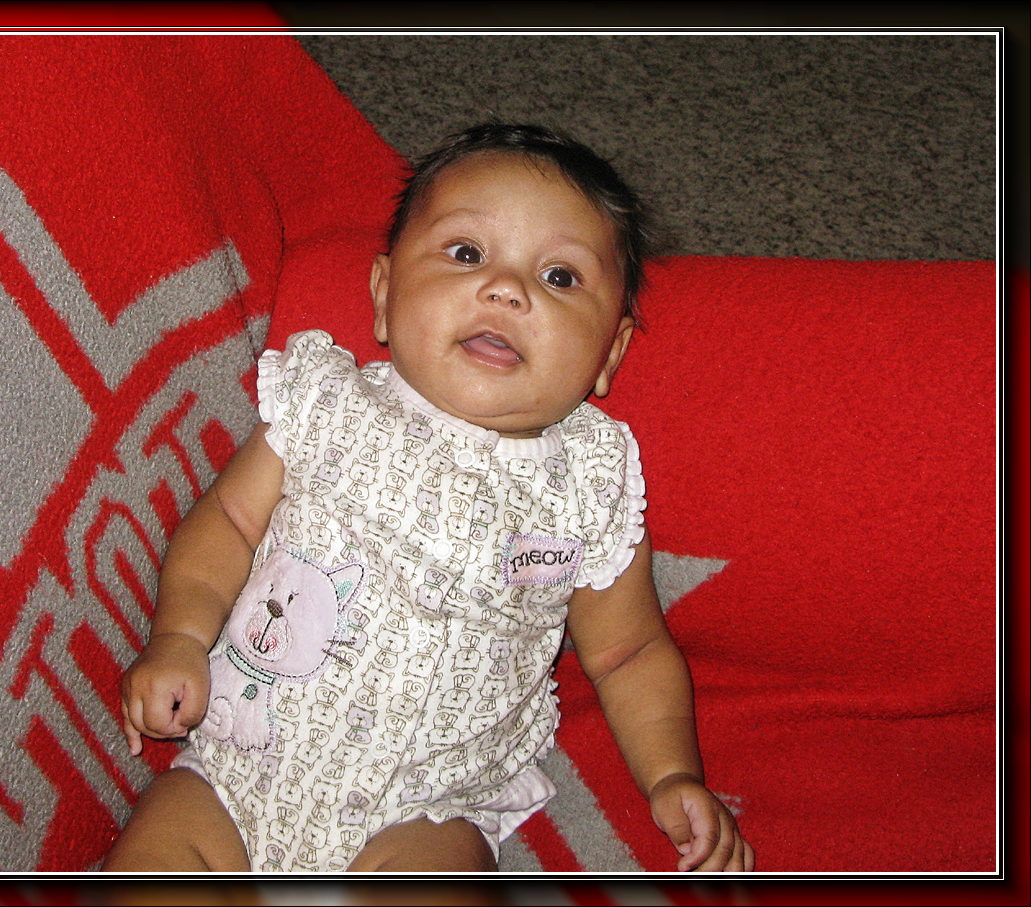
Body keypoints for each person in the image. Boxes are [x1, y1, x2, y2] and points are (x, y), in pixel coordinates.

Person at [104, 124, 754, 874]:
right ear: (385, 297)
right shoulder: (328, 405)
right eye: (467, 253)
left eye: (560, 277)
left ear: (610, 351)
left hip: (429, 808)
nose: (506, 289)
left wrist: (672, 774)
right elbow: (228, 521)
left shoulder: (589, 487)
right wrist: (179, 636)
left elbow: (629, 650)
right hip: (238, 759)